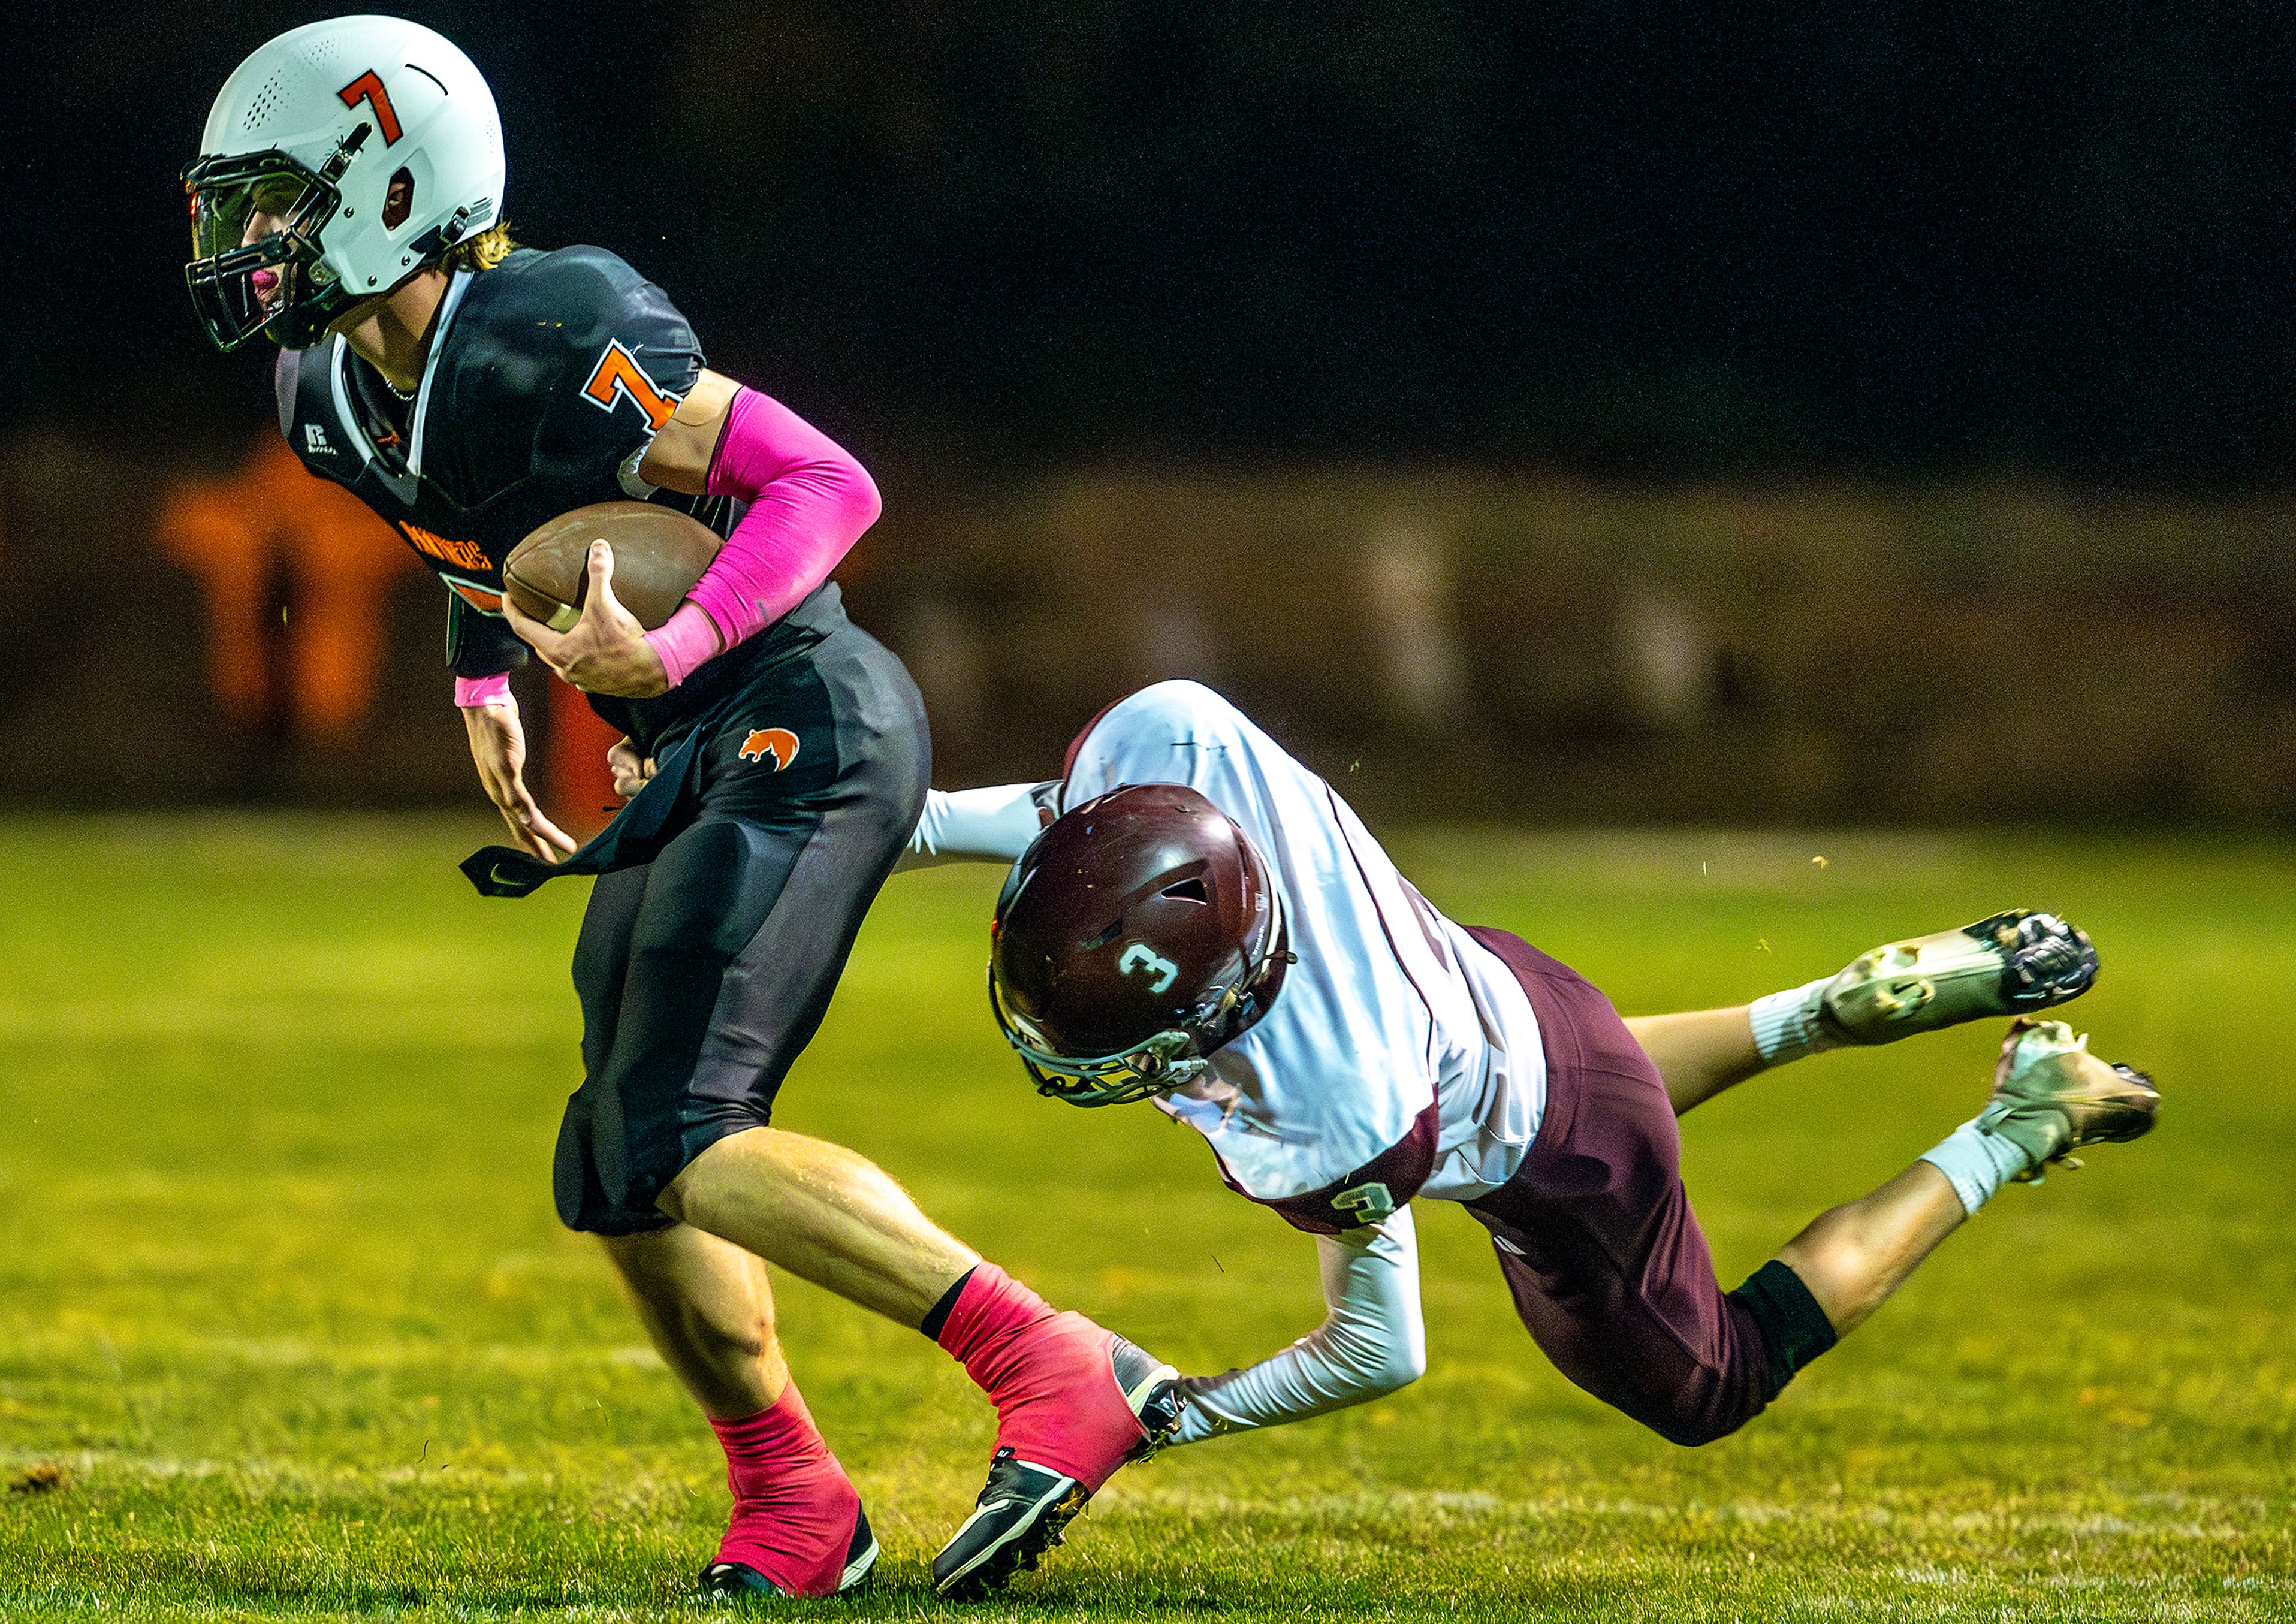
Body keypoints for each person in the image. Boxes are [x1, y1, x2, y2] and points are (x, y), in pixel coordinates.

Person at [183, 17, 1181, 1601]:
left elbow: (828, 485)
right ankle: (795, 1498)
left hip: (803, 714)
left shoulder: (546, 323)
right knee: (615, 1159)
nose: (244, 239)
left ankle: (1055, 1359)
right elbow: (467, 527)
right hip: (685, 754)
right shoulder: (333, 395)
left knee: (687, 1129)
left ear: (390, 189)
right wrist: (484, 689)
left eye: (279, 200)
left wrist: (682, 639)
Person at [897, 680, 2159, 1459]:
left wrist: (1177, 1410)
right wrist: (918, 826)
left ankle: (2022, 1120)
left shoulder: (1336, 1104)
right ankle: (1824, 1009)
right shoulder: (1191, 762)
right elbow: (1092, 829)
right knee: (1572, 1093)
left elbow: (1379, 1349)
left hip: (1562, 1157)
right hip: (1524, 1002)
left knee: (1713, 1380)